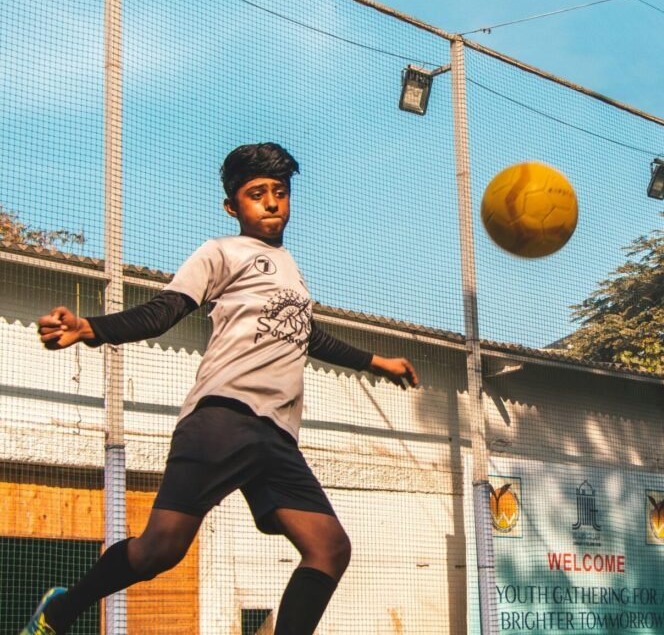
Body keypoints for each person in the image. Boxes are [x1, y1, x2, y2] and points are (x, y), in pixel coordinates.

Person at [21, 143, 419, 635]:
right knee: (160, 551)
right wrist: (93, 328)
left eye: (280, 192)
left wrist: (377, 362)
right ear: (233, 206)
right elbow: (163, 310)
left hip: (276, 437)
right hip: (222, 421)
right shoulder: (220, 253)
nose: (271, 202)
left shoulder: (292, 271)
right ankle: (61, 610)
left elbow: (303, 333)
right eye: (257, 194)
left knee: (330, 547)